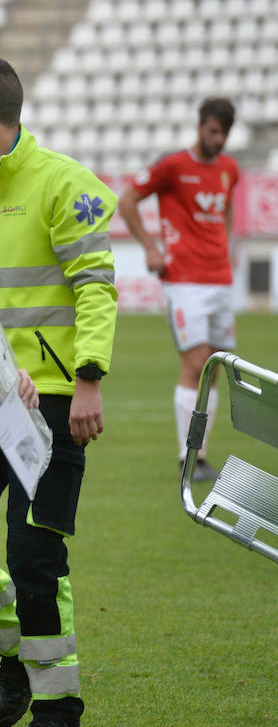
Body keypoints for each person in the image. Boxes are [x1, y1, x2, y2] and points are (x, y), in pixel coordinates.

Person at [0, 56, 117, 727]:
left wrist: (88, 379)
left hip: (48, 402)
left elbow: (96, 289)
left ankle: (59, 712)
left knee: (34, 550)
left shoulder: (65, 184)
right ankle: (19, 655)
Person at [117, 98, 239, 480]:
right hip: (184, 281)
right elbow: (127, 200)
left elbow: (229, 208)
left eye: (224, 134)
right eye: (213, 131)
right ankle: (190, 458)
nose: (218, 140)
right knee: (195, 363)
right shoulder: (173, 166)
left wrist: (228, 244)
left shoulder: (229, 170)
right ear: (200, 126)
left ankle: (200, 454)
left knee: (215, 367)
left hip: (220, 280)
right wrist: (151, 247)